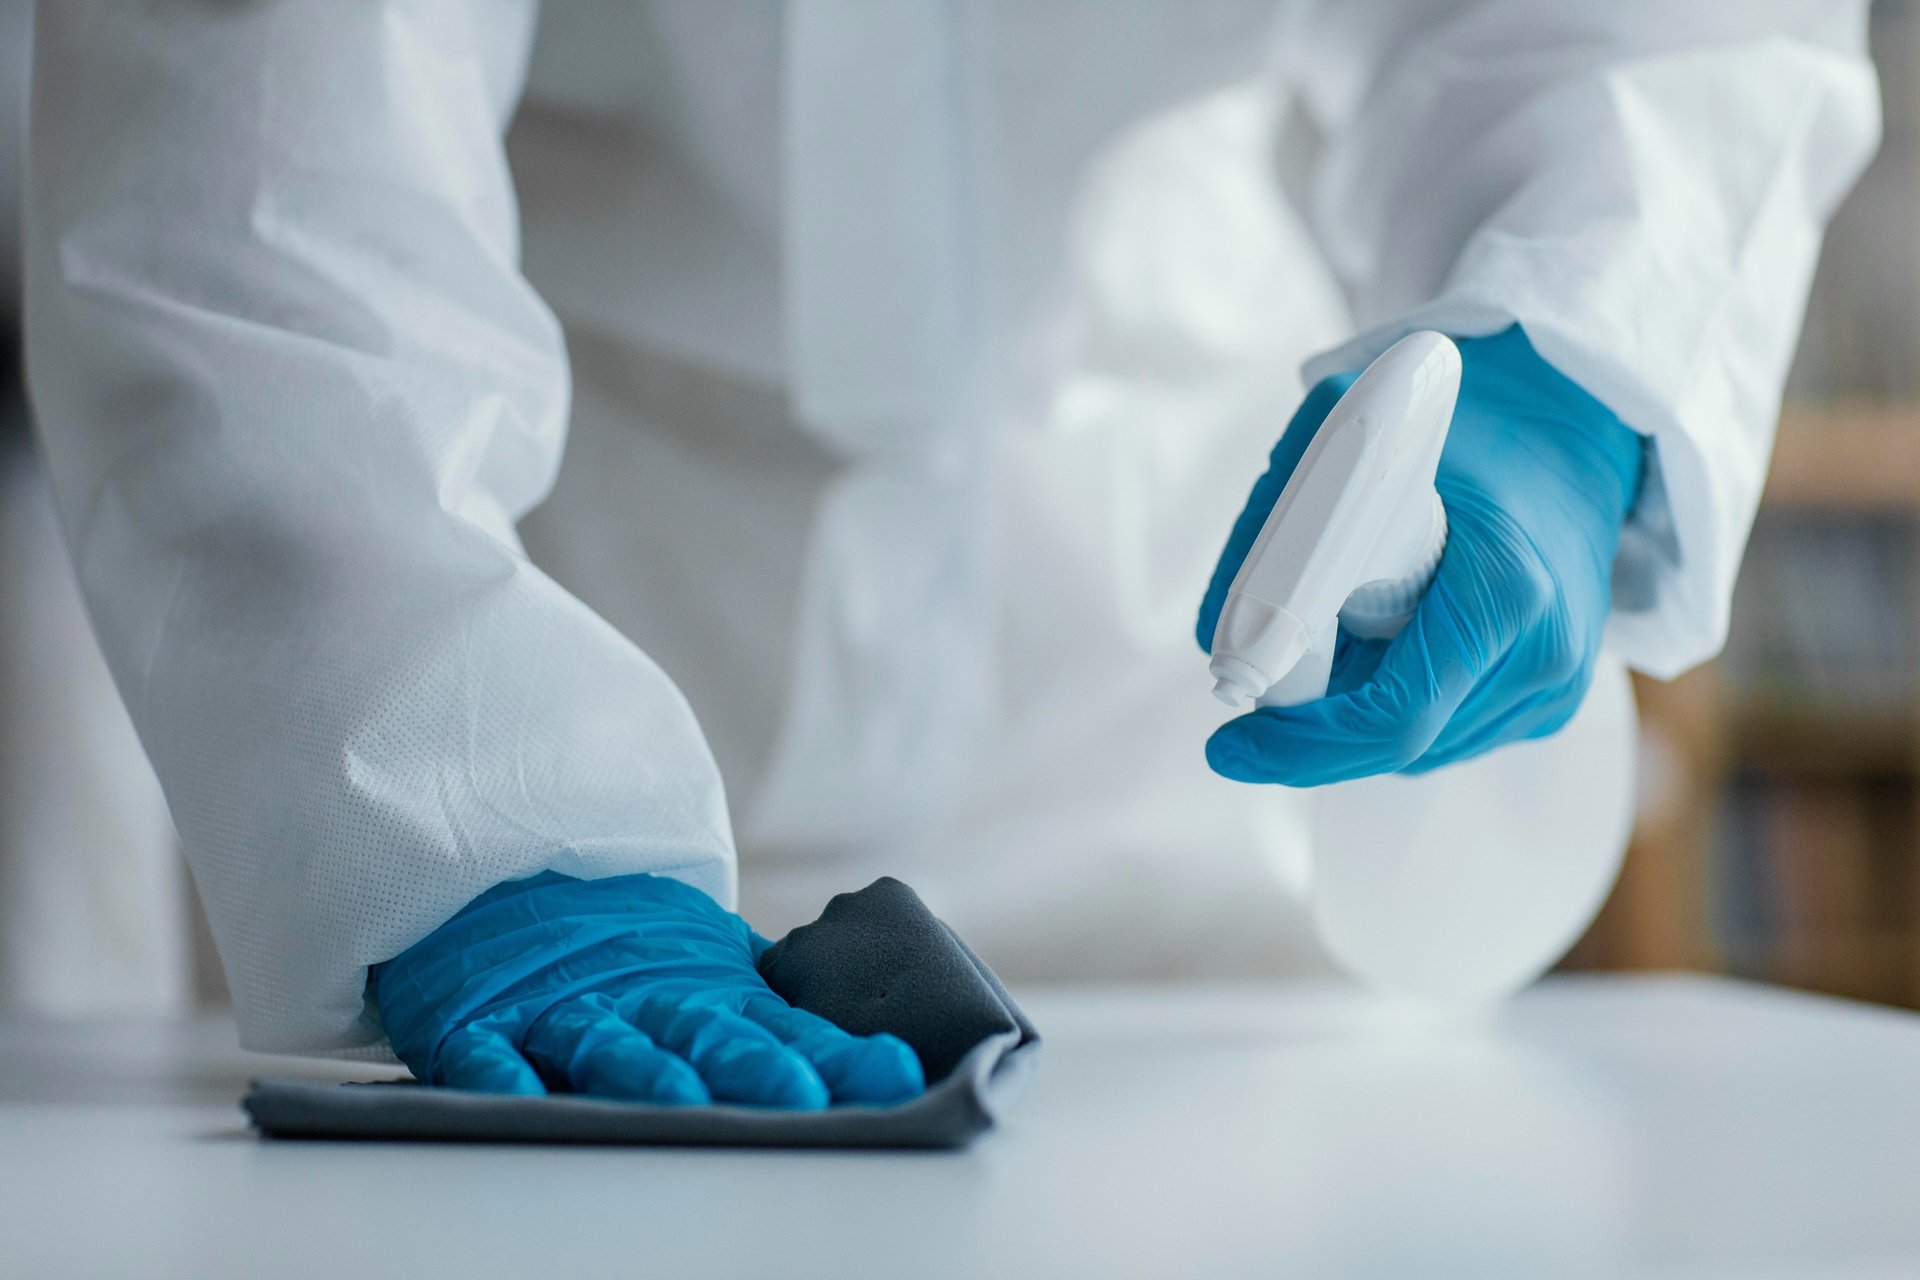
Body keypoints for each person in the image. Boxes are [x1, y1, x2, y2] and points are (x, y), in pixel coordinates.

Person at [24, 2, 1878, 1104]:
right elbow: (256, 146)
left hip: (1183, 706)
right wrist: (440, 785)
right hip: (507, 669)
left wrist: (1571, 343)